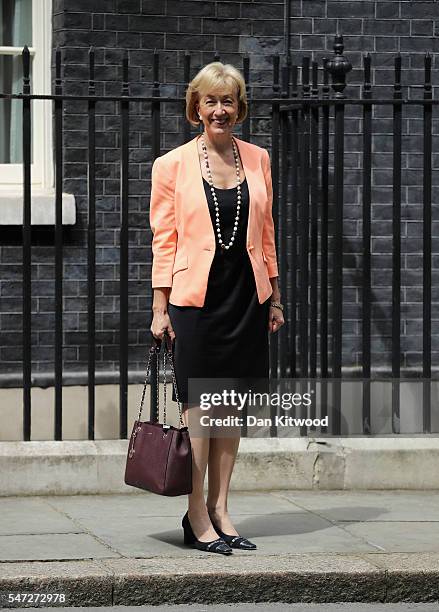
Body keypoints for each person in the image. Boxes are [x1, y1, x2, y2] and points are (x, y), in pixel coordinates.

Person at [149, 62, 284, 555]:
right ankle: (196, 514)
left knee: (230, 411)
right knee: (201, 413)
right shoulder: (172, 165)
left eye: (228, 101)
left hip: (247, 298)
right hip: (196, 302)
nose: (220, 110)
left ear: (239, 107)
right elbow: (164, 241)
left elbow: (266, 232)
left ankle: (223, 510)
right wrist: (160, 307)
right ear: (197, 108)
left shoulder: (258, 159)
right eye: (211, 101)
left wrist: (274, 294)